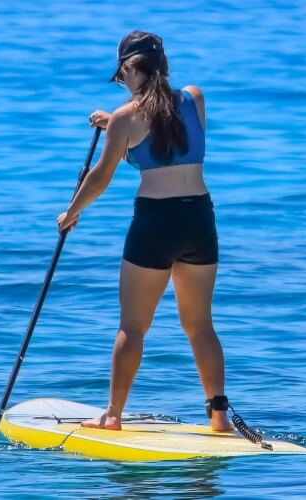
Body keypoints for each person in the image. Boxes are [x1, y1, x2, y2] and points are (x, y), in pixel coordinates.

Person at [56, 31, 231, 432]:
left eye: (123, 76)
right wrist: (115, 120)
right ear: (162, 65)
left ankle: (112, 415)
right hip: (200, 219)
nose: (124, 82)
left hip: (156, 223)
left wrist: (71, 212)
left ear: (131, 68)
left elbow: (100, 178)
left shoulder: (125, 119)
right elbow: (165, 127)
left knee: (133, 326)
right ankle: (219, 416)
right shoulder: (195, 97)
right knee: (200, 324)